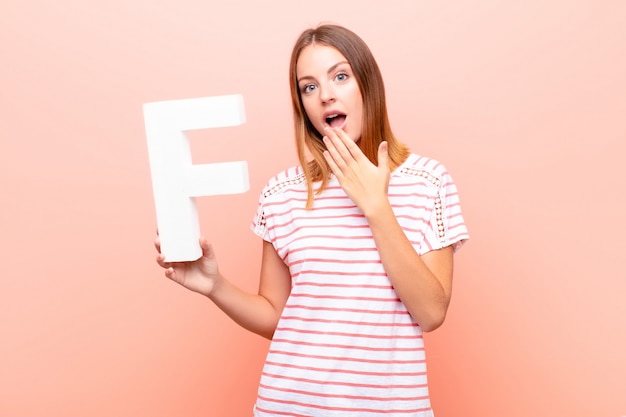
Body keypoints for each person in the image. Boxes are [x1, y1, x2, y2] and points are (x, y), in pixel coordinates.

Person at [156, 24, 469, 417]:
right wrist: (214, 286)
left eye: (340, 76)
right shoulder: (282, 193)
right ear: (302, 105)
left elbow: (431, 312)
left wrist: (376, 206)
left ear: (368, 85)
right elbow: (278, 317)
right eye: (309, 87)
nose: (326, 95)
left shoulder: (428, 182)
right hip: (286, 406)